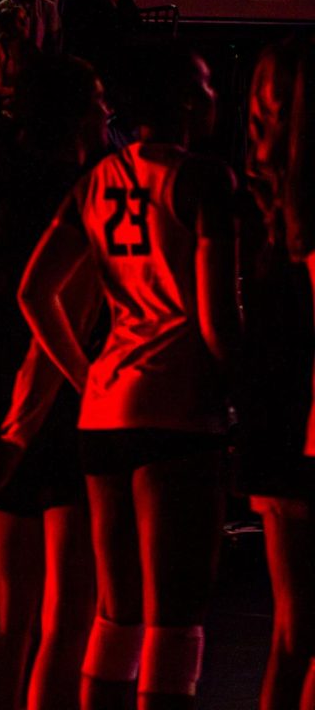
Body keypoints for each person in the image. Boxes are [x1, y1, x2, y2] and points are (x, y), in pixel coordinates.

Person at [19, 45, 239, 710]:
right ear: (180, 102)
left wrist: (86, 377)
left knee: (117, 617)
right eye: (202, 86)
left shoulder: (95, 179)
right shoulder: (205, 180)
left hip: (106, 410)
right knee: (175, 619)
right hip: (177, 408)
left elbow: (35, 292)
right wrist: (248, 400)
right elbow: (217, 322)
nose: (212, 97)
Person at [0, 56, 111, 710]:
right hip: (54, 413)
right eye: (99, 100)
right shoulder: (81, 193)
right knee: (69, 615)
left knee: (7, 614)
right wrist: (30, 426)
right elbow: (62, 317)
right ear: (78, 112)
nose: (108, 113)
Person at [237, 37, 315, 710]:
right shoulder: (299, 204)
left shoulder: (254, 197)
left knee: (296, 630)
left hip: (274, 432)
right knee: (299, 633)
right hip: (305, 426)